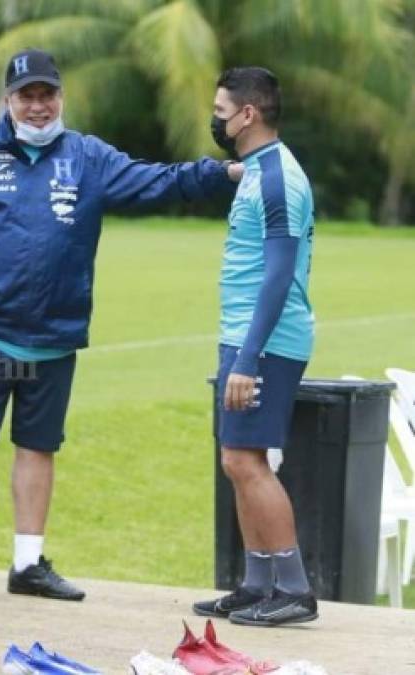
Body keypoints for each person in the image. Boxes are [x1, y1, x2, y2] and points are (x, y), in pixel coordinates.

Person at [0, 49, 242, 600]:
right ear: (9, 100)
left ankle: (27, 564)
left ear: (61, 98)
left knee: (38, 446)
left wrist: (227, 172)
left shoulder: (87, 157)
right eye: (28, 96)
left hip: (55, 335)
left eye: (48, 95)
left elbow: (157, 180)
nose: (39, 106)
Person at [192, 67, 317, 626]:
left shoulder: (278, 180)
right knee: (237, 460)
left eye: (221, 112)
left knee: (246, 461)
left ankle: (294, 589)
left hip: (263, 340)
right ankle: (256, 582)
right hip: (244, 336)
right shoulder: (260, 170)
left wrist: (246, 359)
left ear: (249, 115)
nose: (215, 120)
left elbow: (279, 272)